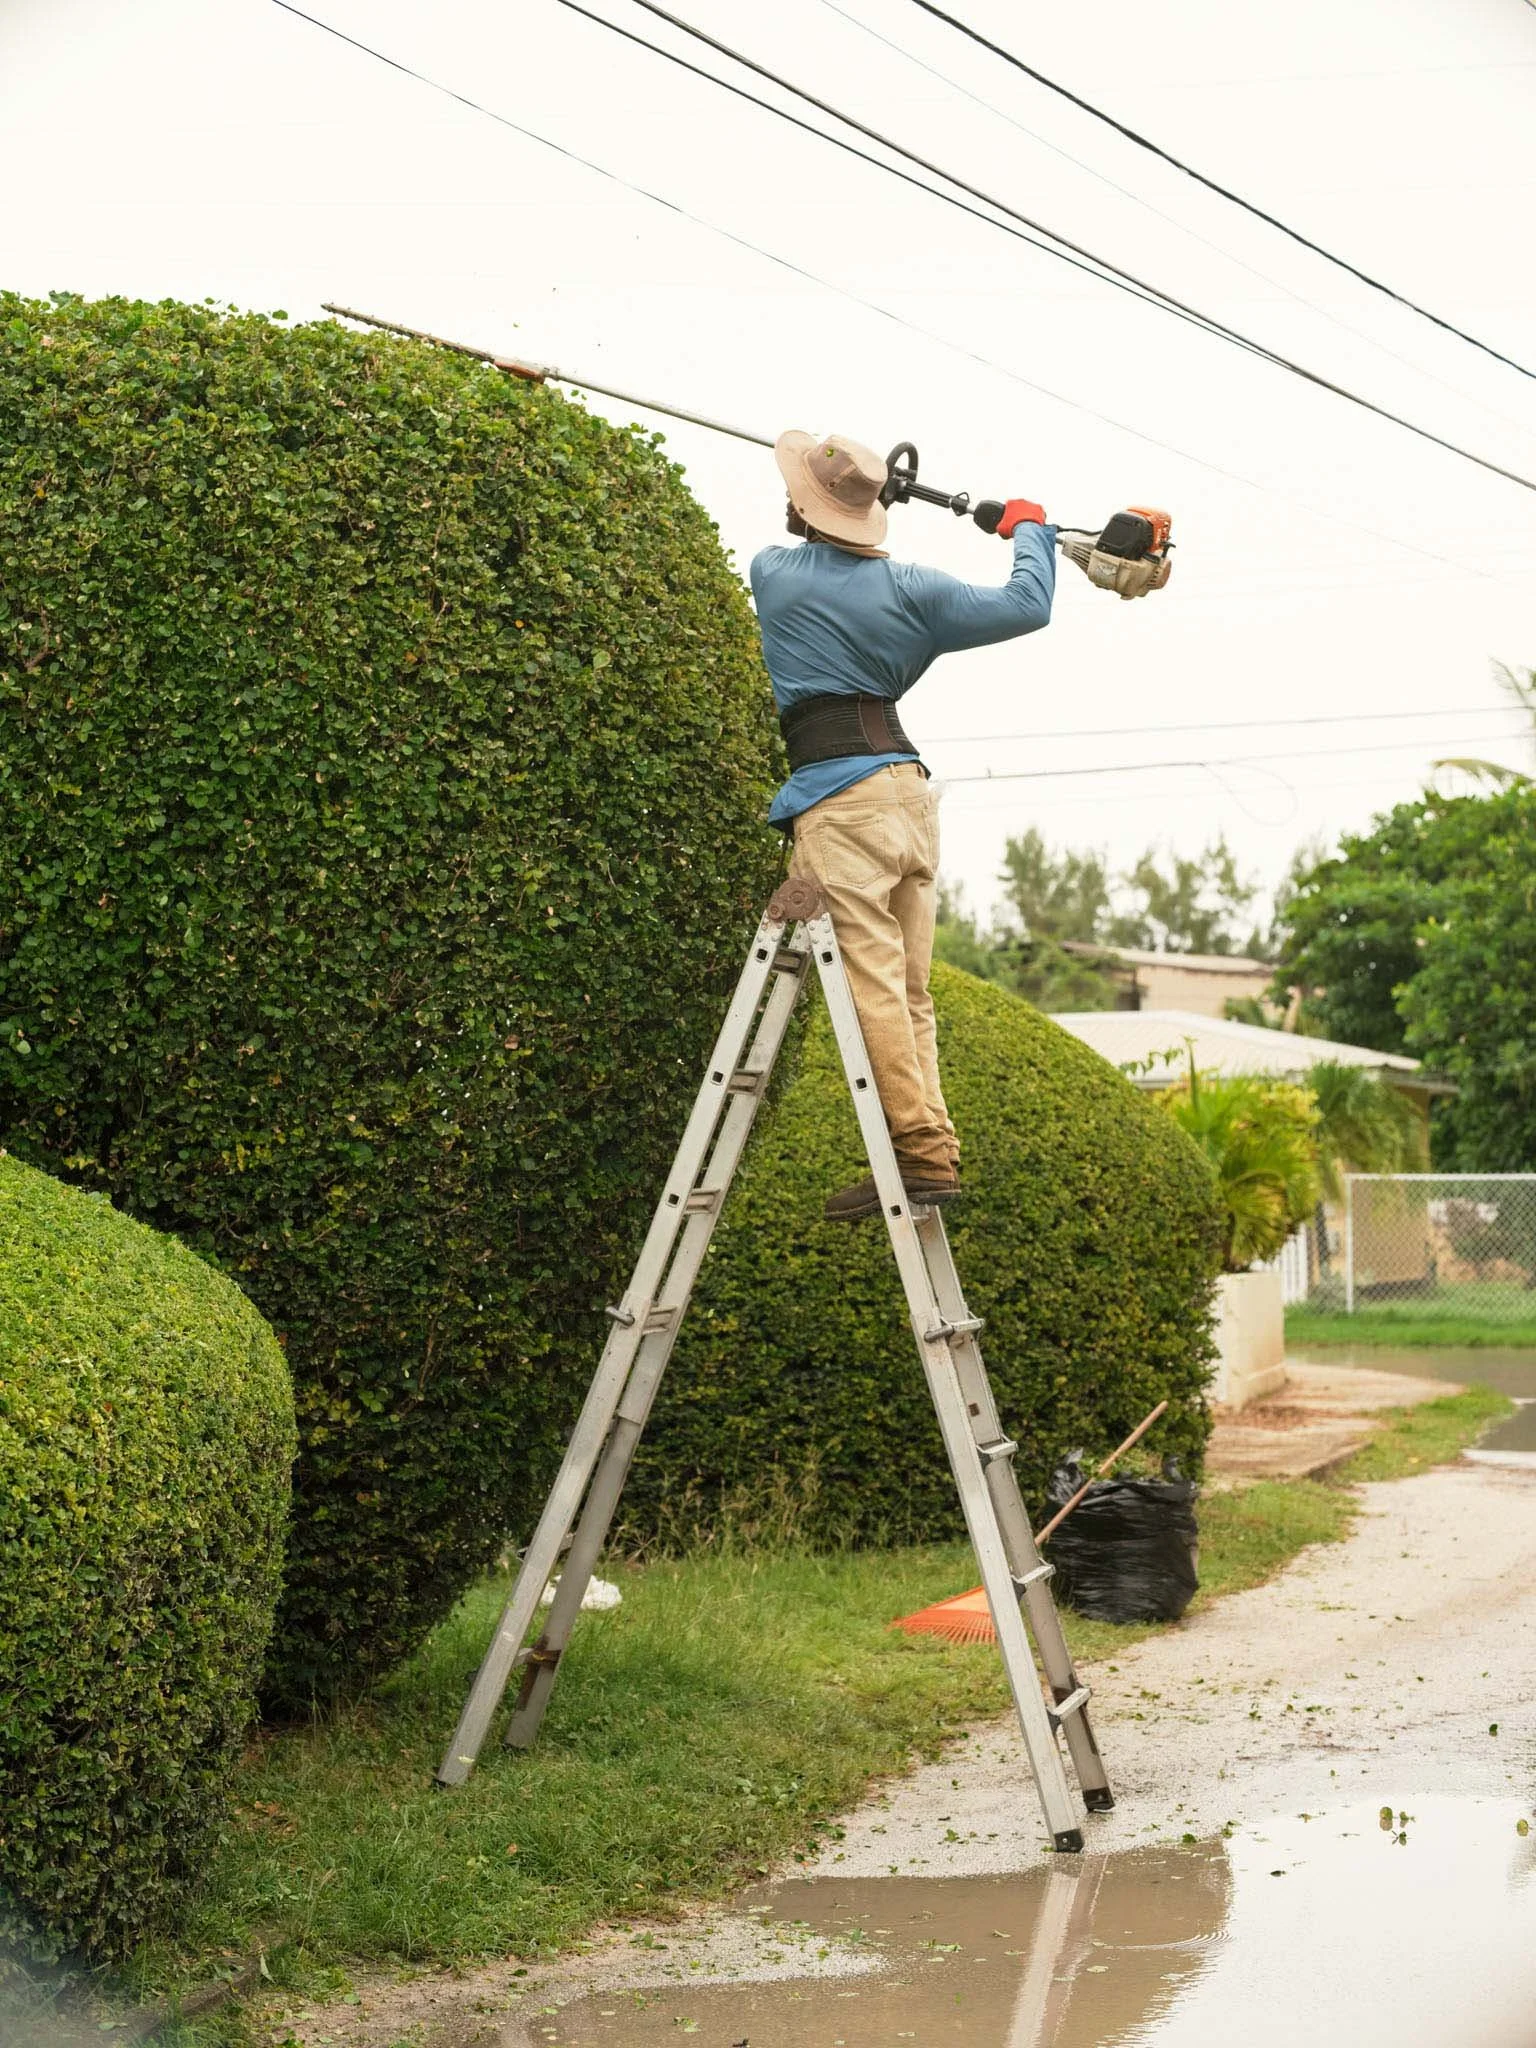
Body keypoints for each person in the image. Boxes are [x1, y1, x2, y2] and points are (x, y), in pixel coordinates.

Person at [750, 429, 1055, 1223]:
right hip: (909, 795)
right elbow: (1030, 604)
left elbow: (803, 540)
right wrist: (1030, 531)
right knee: (911, 991)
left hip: (842, 801)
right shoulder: (916, 589)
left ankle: (919, 1153)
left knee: (876, 986)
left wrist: (857, 497)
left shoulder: (774, 574)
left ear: (807, 508)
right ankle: (933, 1150)